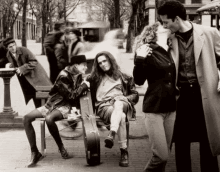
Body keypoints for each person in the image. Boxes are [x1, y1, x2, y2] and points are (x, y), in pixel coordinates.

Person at [141, 1, 220, 172]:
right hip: (179, 97)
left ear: (176, 19)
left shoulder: (210, 33)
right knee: (181, 144)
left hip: (203, 95)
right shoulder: (167, 38)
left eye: (166, 22)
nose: (164, 25)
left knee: (208, 140)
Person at [23, 54, 89, 167]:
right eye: (84, 65)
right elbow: (72, 96)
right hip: (52, 105)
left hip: (65, 107)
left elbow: (73, 96)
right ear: (76, 65)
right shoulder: (63, 76)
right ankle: (35, 152)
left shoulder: (77, 74)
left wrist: (84, 83)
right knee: (26, 118)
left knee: (49, 119)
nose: (86, 68)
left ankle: (61, 147)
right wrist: (83, 86)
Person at [133, 22, 176, 172]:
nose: (167, 25)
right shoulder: (147, 49)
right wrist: (139, 59)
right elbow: (138, 80)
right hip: (154, 108)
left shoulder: (173, 49)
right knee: (161, 156)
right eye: (163, 24)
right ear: (154, 31)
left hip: (171, 108)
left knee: (165, 156)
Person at [87, 51, 139, 167]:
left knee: (119, 103)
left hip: (122, 102)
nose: (102, 64)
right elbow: (78, 85)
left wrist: (124, 97)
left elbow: (135, 95)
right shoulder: (94, 78)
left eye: (105, 61)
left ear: (110, 60)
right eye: (100, 63)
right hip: (104, 106)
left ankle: (112, 132)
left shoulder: (124, 76)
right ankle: (124, 151)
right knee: (121, 116)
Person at [4, 37, 52, 108]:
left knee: (45, 97)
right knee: (35, 98)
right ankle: (39, 114)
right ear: (7, 48)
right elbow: (16, 65)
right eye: (10, 47)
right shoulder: (8, 55)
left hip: (36, 77)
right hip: (27, 81)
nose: (13, 48)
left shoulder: (24, 50)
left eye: (14, 45)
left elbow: (34, 61)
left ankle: (46, 114)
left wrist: (22, 68)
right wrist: (11, 66)